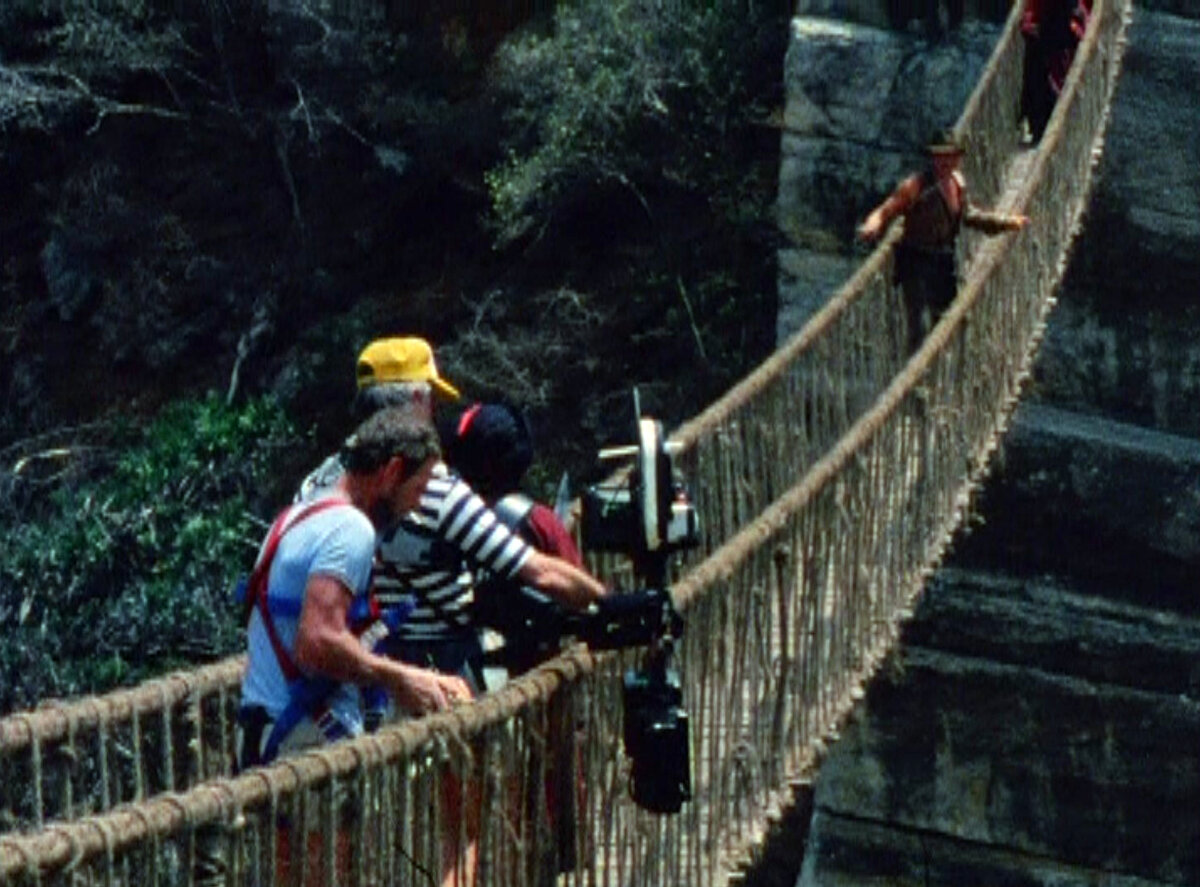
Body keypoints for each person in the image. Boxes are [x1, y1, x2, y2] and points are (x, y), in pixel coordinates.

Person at [238, 407, 471, 770]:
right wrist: (401, 679)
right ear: (392, 471)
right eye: (419, 488)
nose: (416, 506)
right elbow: (317, 642)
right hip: (306, 748)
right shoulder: (351, 529)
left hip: (266, 735)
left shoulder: (295, 516)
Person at [856, 130, 1030, 354]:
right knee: (919, 325)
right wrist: (873, 224)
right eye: (939, 156)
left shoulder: (958, 183)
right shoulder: (915, 186)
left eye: (949, 156)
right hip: (914, 260)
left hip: (942, 260)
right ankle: (916, 383)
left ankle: (936, 374)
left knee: (945, 320)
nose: (944, 162)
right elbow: (886, 209)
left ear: (958, 158)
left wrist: (1007, 222)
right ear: (932, 158)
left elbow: (969, 216)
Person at [1020, 0, 1091, 143]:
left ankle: (1038, 123)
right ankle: (1037, 123)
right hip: (1050, 35)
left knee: (1042, 75)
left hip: (1055, 34)